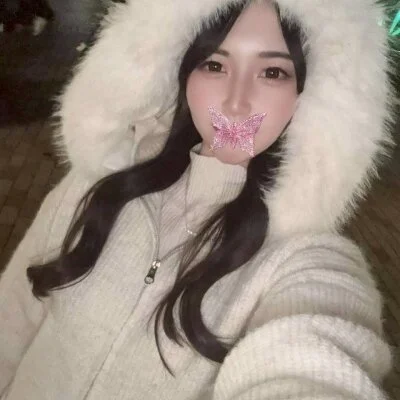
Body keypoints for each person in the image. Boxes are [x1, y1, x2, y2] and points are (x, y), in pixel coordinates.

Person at [0, 0, 395, 398]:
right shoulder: (97, 184)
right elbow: (12, 317)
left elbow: (316, 352)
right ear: (182, 70)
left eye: (272, 72)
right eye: (215, 65)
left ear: (308, 95)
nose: (236, 102)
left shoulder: (297, 260)